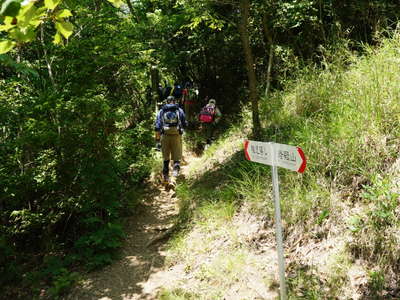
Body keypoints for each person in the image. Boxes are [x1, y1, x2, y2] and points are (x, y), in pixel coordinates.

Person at [155, 95, 187, 182]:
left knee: (165, 157)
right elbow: (184, 123)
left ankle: (166, 176)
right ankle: (175, 172)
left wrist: (157, 141)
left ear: (167, 102)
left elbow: (157, 126)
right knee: (177, 154)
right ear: (174, 101)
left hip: (164, 135)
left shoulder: (162, 111)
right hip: (176, 135)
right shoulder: (179, 110)